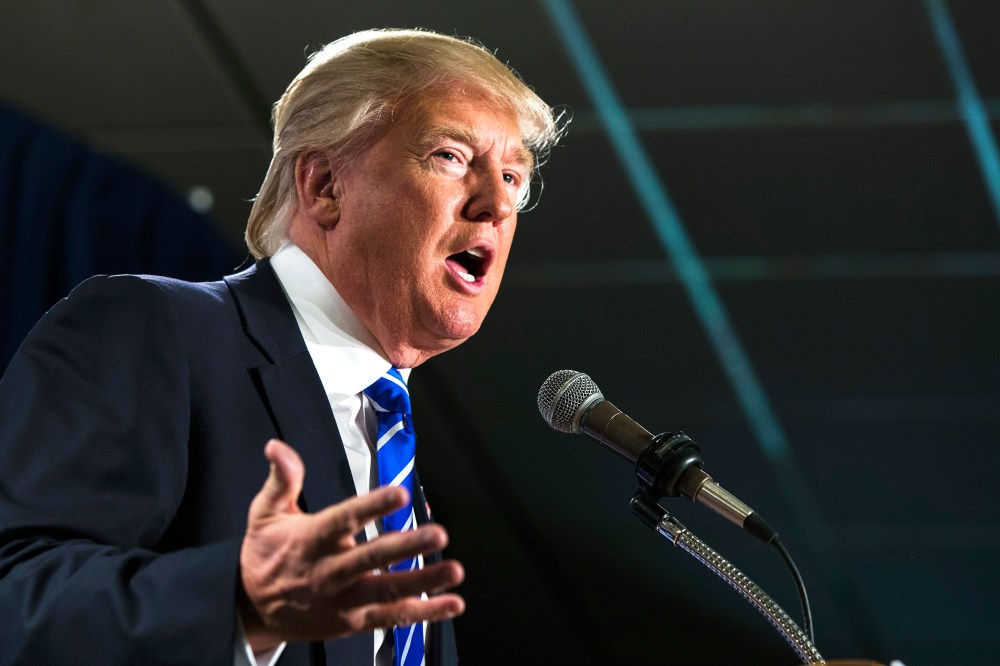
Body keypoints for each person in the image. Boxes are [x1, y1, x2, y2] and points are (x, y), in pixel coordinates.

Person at [0, 28, 564, 665]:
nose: (496, 204)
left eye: (514, 176)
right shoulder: (153, 331)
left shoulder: (392, 457)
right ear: (324, 186)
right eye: (451, 156)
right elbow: (16, 597)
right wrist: (238, 603)